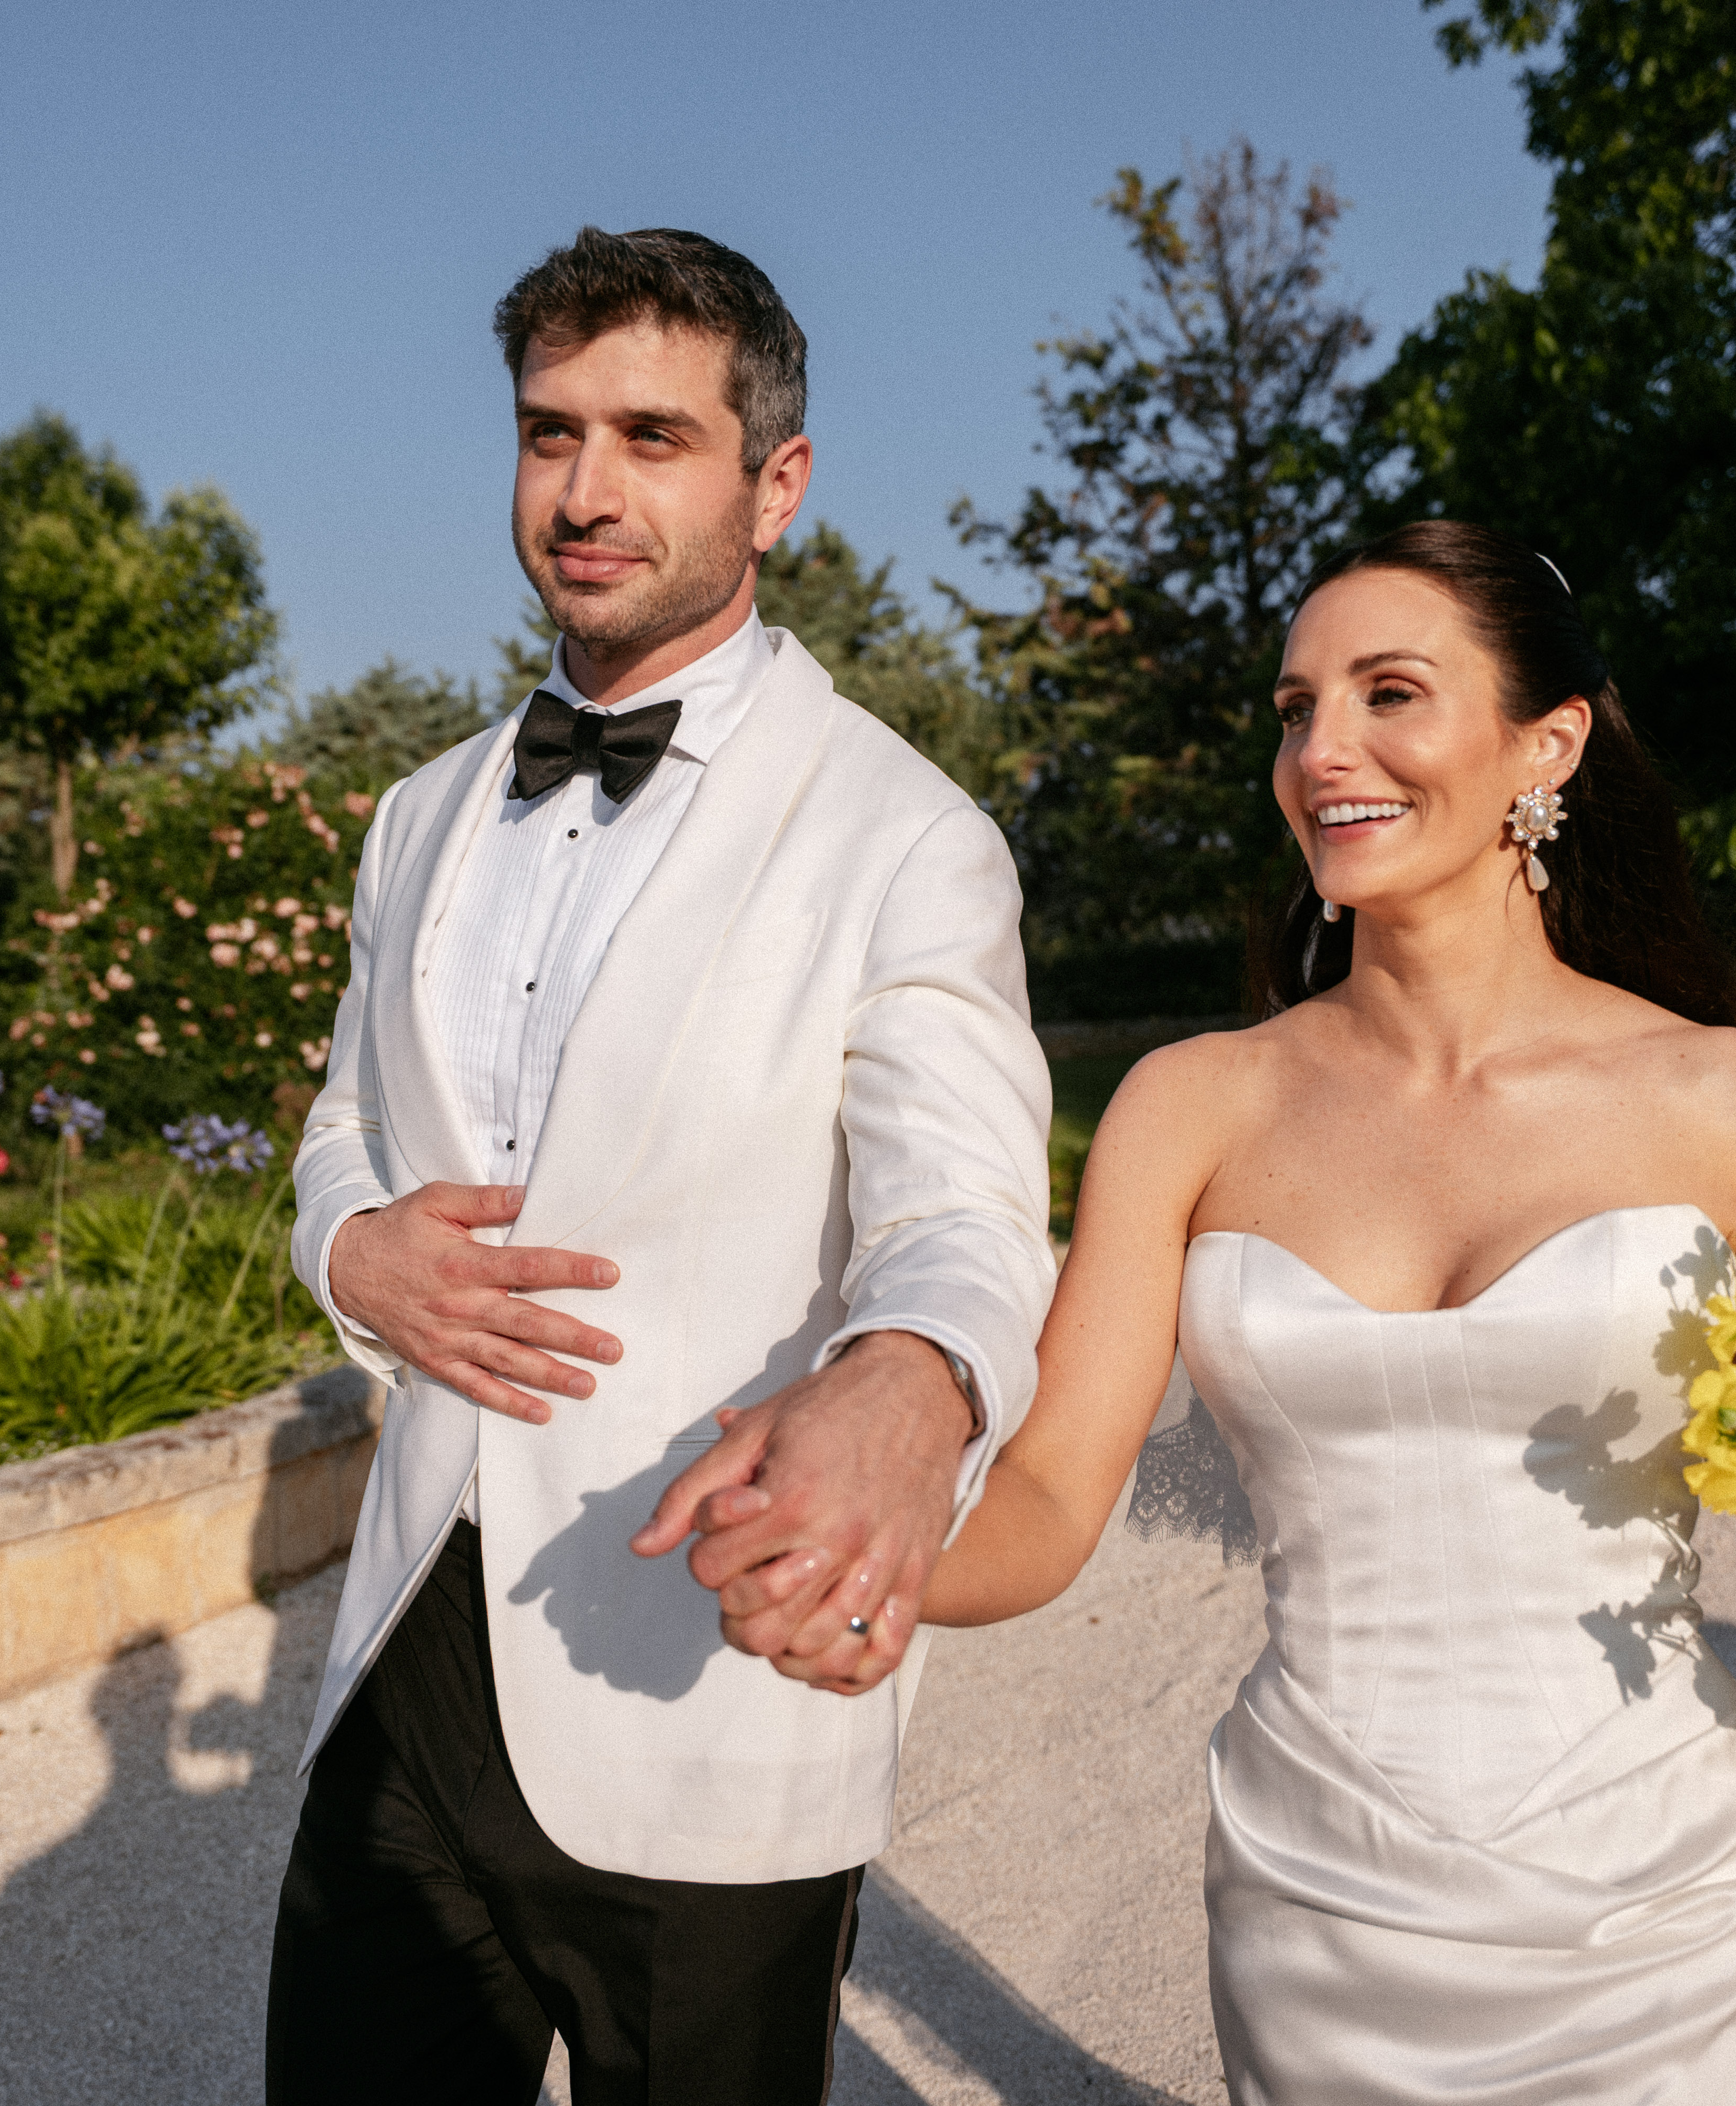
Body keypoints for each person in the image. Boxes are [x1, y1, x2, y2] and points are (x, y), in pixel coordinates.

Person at [688, 521, 1736, 2102]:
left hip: (1677, 1917)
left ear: (1553, 741)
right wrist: (862, 1556)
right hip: (1327, 1917)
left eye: (1391, 694)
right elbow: (1048, 1497)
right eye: (1295, 707)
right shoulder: (1190, 1110)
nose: (1326, 751)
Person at [267, 225, 1053, 2105]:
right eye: (550, 435)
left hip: (696, 1672)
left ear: (775, 485)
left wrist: (918, 1381)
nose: (586, 491)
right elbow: (343, 1124)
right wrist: (349, 1247)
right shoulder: (415, 815)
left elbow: (962, 1214)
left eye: (651, 437)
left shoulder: (909, 838)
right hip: (400, 1658)